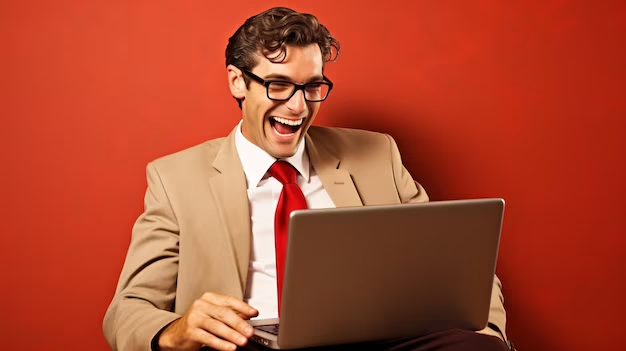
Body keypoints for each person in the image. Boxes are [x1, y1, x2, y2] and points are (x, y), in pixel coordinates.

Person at [103, 7, 512, 351]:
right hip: (250, 343)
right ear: (237, 82)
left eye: (312, 87)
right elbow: (127, 310)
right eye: (279, 85)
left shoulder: (377, 155)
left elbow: (458, 271)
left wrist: (488, 334)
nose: (298, 107)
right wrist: (178, 330)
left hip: (377, 341)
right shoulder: (175, 178)